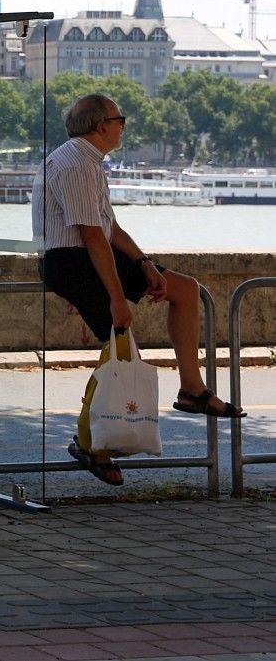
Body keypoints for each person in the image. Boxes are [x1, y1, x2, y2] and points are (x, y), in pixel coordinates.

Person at [32, 93, 244, 487]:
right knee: (120, 346)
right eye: (120, 119)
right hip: (72, 260)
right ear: (102, 126)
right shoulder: (75, 164)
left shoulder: (89, 161)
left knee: (185, 289)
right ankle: (90, 444)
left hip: (90, 253)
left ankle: (192, 389)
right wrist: (117, 297)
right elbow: (92, 237)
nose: (123, 126)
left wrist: (145, 263)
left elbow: (110, 229)